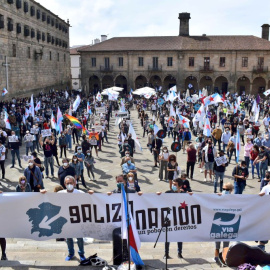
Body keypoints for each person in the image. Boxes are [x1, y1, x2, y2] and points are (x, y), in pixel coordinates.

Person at [40, 175, 94, 261]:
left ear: (74, 183)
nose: (69, 184)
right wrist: (43, 193)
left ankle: (81, 254)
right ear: (65, 184)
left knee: (79, 237)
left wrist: (92, 193)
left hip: (77, 219)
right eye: (67, 183)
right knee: (69, 238)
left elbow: (90, 198)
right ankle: (71, 253)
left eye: (71, 183)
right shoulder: (61, 193)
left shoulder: (79, 193)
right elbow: (50, 197)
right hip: (66, 219)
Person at [156, 178, 192, 259]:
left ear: (180, 186)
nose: (173, 185)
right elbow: (159, 200)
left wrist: (192, 195)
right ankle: (166, 253)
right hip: (169, 218)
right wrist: (157, 195)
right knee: (167, 236)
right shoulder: (168, 193)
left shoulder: (184, 194)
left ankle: (179, 253)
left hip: (179, 219)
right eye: (173, 184)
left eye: (175, 184)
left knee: (180, 236)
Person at [214, 182, 234, 264]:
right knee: (217, 242)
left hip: (228, 223)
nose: (225, 191)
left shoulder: (234, 198)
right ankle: (216, 257)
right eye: (223, 189)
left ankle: (224, 258)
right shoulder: (219, 197)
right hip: (219, 222)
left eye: (227, 189)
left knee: (226, 243)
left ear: (231, 190)